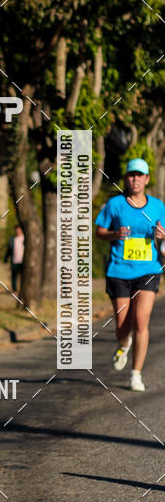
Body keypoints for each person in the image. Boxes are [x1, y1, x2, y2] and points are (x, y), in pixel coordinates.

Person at [95, 158, 165, 391]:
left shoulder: (157, 206)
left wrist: (161, 235)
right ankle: (123, 344)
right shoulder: (115, 204)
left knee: (141, 322)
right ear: (126, 178)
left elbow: (164, 235)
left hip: (148, 270)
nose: (135, 179)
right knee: (123, 326)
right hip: (119, 270)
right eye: (131, 175)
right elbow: (100, 232)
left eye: (140, 175)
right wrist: (114, 234)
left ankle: (136, 374)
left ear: (147, 179)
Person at [4, 225, 25, 293]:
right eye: (17, 230)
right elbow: (9, 250)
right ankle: (14, 290)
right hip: (15, 260)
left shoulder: (25, 239)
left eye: (19, 229)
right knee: (14, 276)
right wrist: (6, 258)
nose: (18, 231)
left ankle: (22, 290)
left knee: (23, 276)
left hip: (23, 261)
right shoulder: (13, 239)